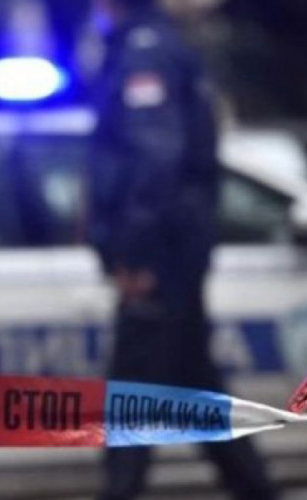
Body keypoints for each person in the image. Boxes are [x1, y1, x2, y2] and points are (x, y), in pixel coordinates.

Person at [86, 0, 277, 498]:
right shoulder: (160, 45)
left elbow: (155, 158)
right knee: (191, 379)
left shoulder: (144, 52)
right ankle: (254, 488)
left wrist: (136, 254)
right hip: (174, 251)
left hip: (160, 256)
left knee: (133, 391)